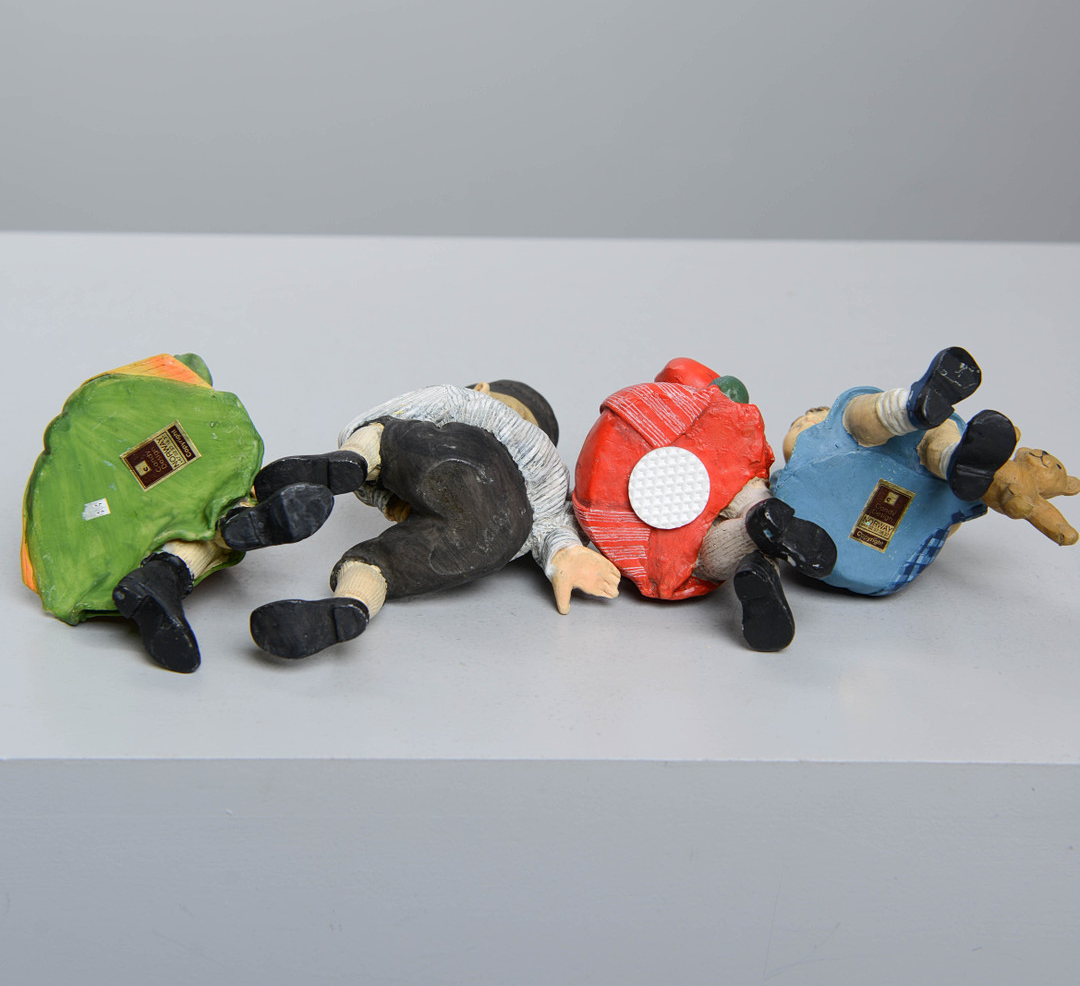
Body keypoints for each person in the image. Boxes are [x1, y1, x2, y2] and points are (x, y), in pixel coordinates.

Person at [246, 378, 621, 658]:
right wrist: (567, 555)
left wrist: (361, 448)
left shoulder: (473, 403)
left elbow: (413, 408)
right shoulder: (547, 470)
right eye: (522, 411)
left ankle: (355, 461)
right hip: (493, 537)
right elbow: (553, 527)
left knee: (385, 433)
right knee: (383, 566)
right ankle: (353, 603)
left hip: (467, 462)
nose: (524, 420)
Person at [22, 353, 332, 672]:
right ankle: (229, 523)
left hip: (63, 561)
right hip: (108, 529)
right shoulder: (182, 408)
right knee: (211, 510)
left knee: (189, 513)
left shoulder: (101, 402)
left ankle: (166, 574)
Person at [572, 358, 836, 652]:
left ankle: (754, 537)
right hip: (724, 472)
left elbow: (592, 506)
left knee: (702, 561)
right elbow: (730, 391)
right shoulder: (705, 404)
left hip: (662, 536)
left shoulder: (640, 409)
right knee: (748, 492)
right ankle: (762, 522)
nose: (806, 422)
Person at [769, 346, 1072, 596]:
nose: (805, 420)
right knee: (906, 434)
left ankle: (915, 415)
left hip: (869, 555)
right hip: (884, 558)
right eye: (800, 422)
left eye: (811, 414)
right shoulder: (790, 480)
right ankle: (938, 441)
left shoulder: (812, 457)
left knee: (858, 417)